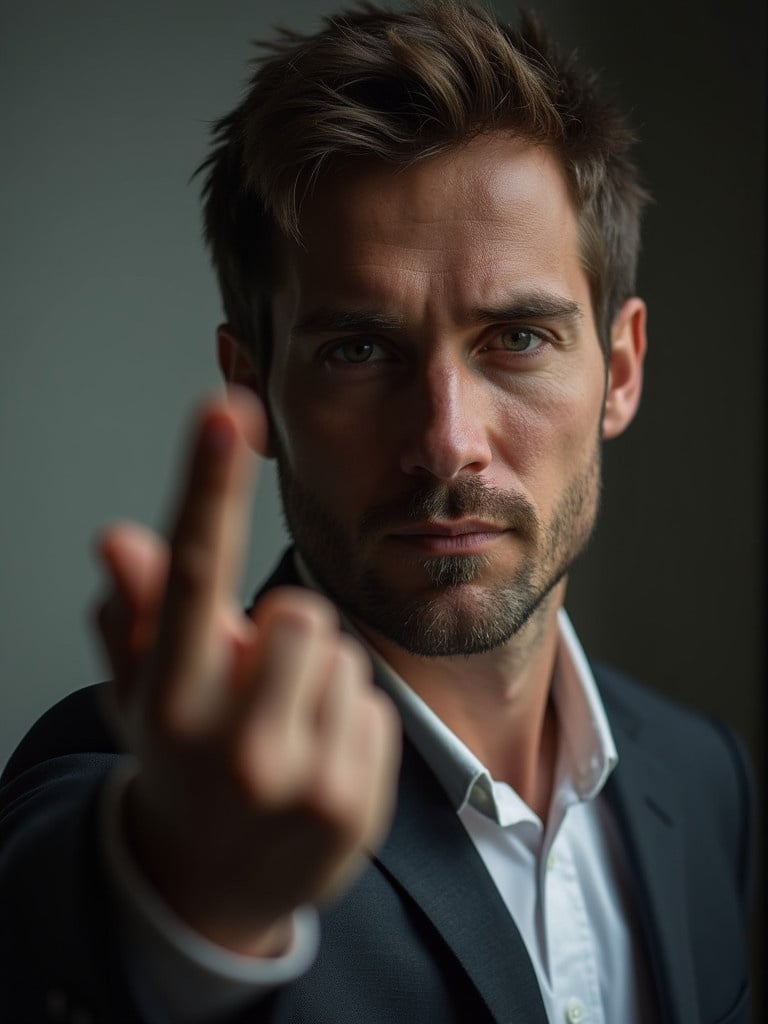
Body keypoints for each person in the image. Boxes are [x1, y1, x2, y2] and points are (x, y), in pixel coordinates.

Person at [0, 3, 754, 1022]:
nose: (447, 440)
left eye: (518, 339)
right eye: (359, 351)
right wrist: (185, 912)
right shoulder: (143, 784)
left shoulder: (707, 779)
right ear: (252, 387)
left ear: (620, 373)